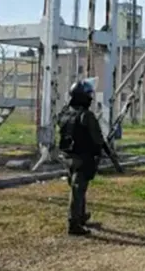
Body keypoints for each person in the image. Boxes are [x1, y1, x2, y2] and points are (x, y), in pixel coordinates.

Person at [57, 79, 105, 236]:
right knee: (78, 189)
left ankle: (81, 215)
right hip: (82, 157)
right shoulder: (86, 116)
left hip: (68, 156)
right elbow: (97, 139)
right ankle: (74, 223)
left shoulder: (64, 113)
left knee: (77, 186)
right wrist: (99, 152)